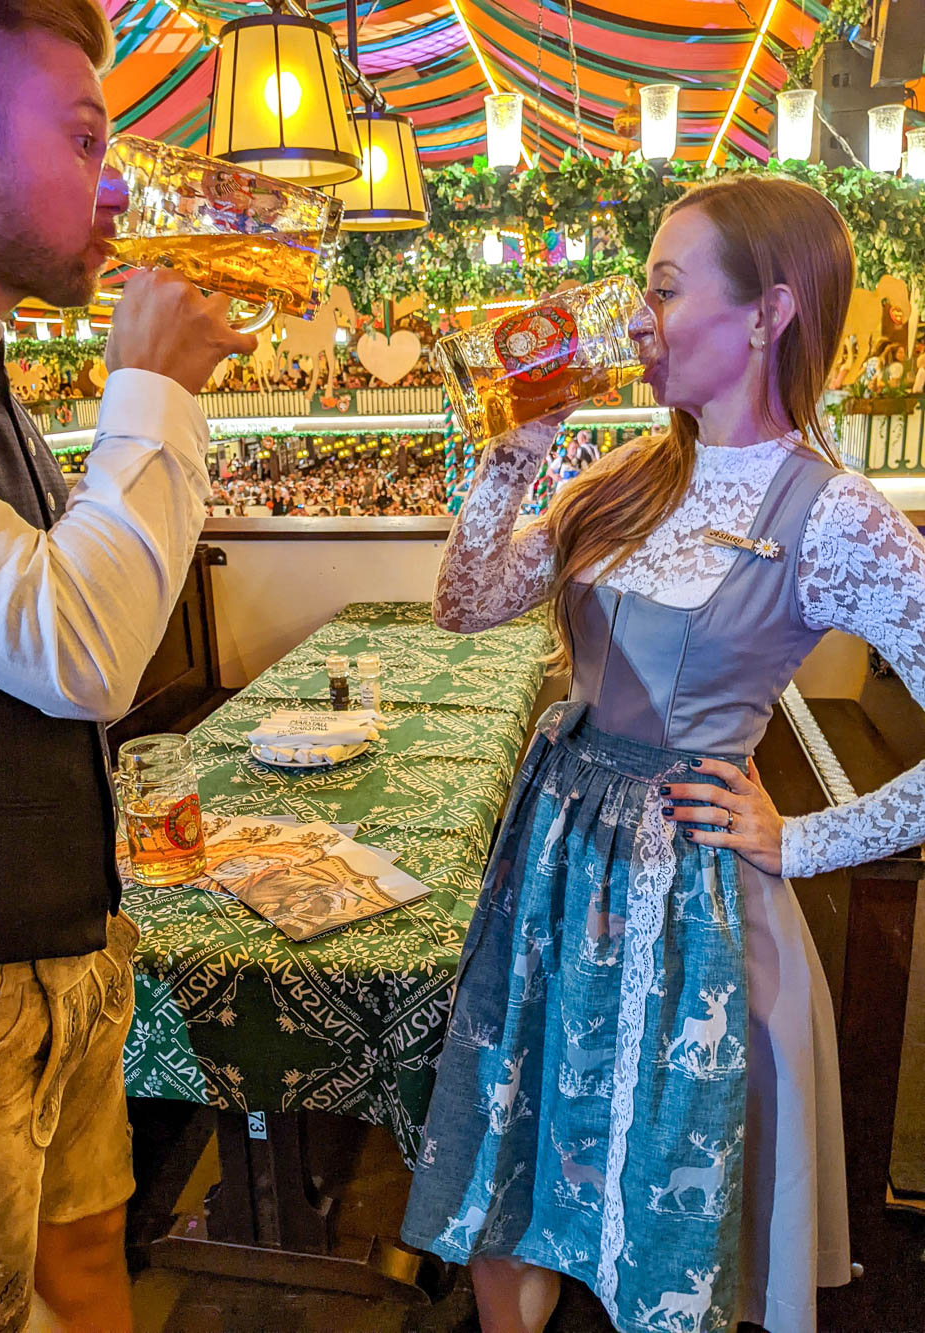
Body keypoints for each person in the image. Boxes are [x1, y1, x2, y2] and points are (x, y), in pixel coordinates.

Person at [402, 174, 925, 1333]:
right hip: (552, 861)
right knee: (519, 1149)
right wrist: (513, 450)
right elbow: (468, 600)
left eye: (661, 288)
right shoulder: (631, 473)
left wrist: (800, 837)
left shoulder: (832, 514)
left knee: (658, 1195)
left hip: (688, 900)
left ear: (767, 313)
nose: (634, 319)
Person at [0, 3, 256, 1331]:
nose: (118, 183)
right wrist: (154, 392)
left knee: (87, 1269)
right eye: (82, 135)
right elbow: (79, 648)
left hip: (64, 954)